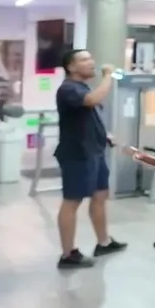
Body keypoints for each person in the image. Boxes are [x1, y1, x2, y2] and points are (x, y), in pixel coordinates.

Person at [54, 49, 127, 269]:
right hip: (77, 154)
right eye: (84, 59)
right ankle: (68, 254)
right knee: (72, 201)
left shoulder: (82, 87)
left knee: (100, 195)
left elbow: (86, 117)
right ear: (71, 67)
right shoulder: (68, 89)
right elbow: (93, 100)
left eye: (90, 58)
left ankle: (103, 242)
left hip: (94, 151)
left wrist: (104, 136)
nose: (91, 62)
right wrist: (108, 76)